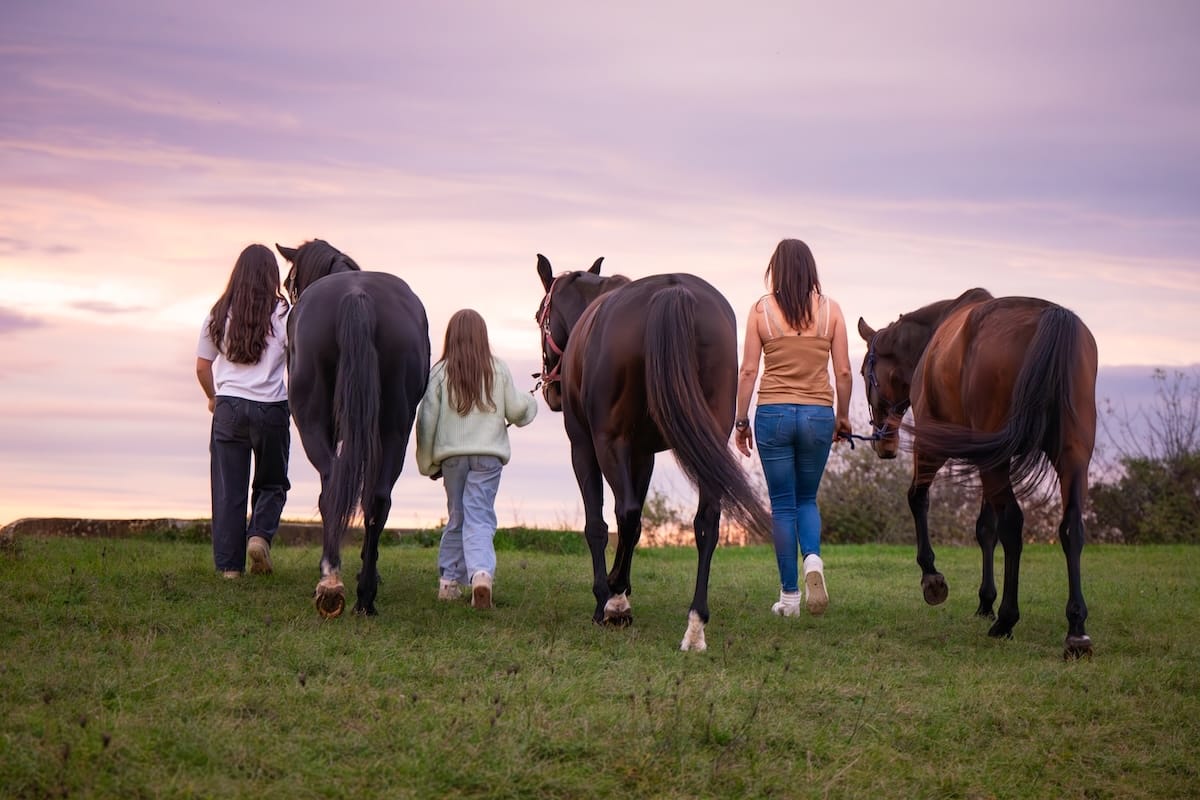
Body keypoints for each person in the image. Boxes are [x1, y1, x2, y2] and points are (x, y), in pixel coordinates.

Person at [734, 239, 852, 617]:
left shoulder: (760, 311)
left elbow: (749, 370)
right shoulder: (832, 310)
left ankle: (789, 598)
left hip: (774, 415)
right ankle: (813, 561)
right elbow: (845, 371)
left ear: (776, 269)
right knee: (807, 499)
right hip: (818, 415)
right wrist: (843, 417)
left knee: (783, 505)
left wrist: (740, 420)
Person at [416, 309, 538, 609]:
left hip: (453, 459)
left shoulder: (440, 372)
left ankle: (448, 582)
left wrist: (427, 461)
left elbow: (426, 419)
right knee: (480, 515)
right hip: (488, 457)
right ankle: (481, 574)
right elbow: (517, 410)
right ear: (483, 337)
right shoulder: (498, 369)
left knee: (457, 515)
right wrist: (533, 401)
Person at [195, 243, 291, 579]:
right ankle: (259, 536)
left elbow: (202, 367)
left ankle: (229, 569)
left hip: (229, 408)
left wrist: (213, 398)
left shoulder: (218, 313)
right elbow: (298, 362)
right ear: (272, 275)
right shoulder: (284, 313)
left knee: (227, 490)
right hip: (272, 410)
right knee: (273, 482)